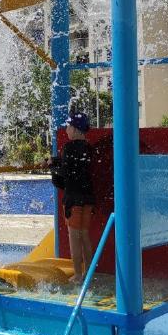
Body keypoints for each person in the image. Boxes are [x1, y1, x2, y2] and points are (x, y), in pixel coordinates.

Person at [58, 111, 96, 282]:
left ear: (74, 129)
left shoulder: (68, 147)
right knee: (85, 235)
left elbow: (65, 174)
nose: (66, 130)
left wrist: (53, 167)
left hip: (73, 199)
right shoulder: (88, 147)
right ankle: (88, 272)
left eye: (68, 126)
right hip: (87, 198)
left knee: (74, 237)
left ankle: (78, 275)